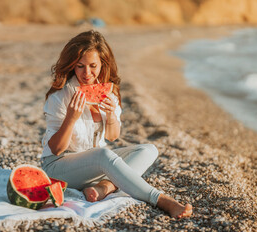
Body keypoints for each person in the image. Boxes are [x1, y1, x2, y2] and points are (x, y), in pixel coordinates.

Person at [40, 30, 192, 219]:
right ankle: (160, 199)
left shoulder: (108, 93)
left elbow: (112, 136)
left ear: (102, 64)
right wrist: (71, 118)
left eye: (93, 66)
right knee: (103, 154)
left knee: (148, 149)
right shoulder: (60, 98)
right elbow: (55, 149)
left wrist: (111, 115)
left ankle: (105, 187)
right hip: (59, 168)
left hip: (94, 167)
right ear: (72, 66)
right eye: (80, 66)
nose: (87, 74)